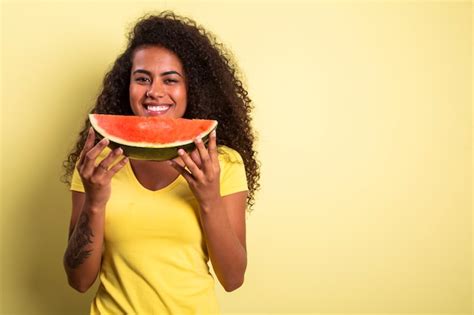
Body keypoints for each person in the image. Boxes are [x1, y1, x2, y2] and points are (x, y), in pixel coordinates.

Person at [61, 11, 260, 315]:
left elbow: (233, 279)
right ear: (126, 85)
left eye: (171, 80)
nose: (154, 91)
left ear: (191, 88)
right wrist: (95, 203)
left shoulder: (222, 163)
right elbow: (79, 280)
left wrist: (209, 199)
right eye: (142, 78)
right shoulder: (95, 163)